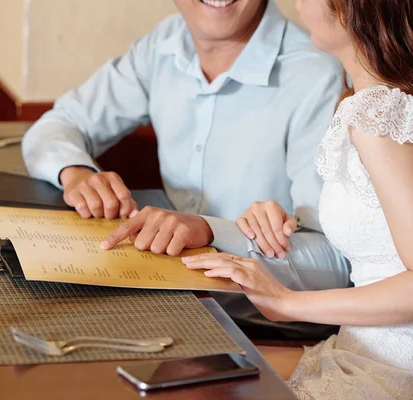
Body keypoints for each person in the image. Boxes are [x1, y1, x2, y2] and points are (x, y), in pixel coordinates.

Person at [22, 0, 350, 337]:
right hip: (170, 303)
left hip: (268, 330)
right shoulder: (164, 43)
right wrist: (77, 173)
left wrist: (211, 232)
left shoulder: (316, 74)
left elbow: (339, 264)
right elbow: (60, 123)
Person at [181, 0, 413, 398]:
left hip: (392, 367)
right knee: (196, 368)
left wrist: (287, 303)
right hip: (359, 346)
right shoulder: (373, 104)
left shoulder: (377, 115)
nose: (297, 3)